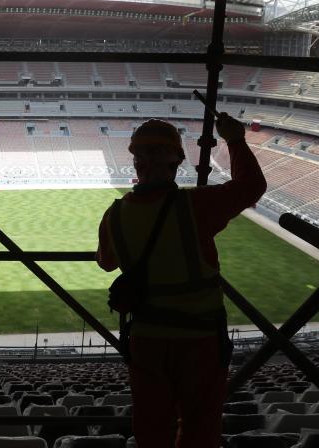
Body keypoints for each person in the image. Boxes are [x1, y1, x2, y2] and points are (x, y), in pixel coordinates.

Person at [96, 115, 266, 448]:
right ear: (177, 161)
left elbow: (106, 262)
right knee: (200, 427)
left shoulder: (114, 214)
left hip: (146, 339)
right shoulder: (197, 204)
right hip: (199, 339)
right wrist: (235, 139)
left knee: (151, 427)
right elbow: (251, 187)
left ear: (135, 161)